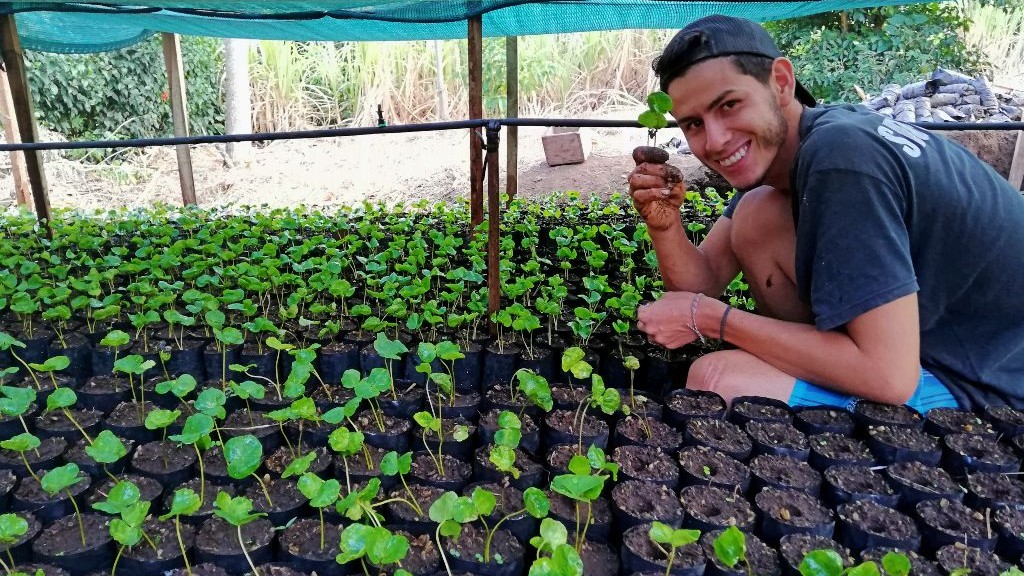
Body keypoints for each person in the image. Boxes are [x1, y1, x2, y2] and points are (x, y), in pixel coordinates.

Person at [629, 14, 1024, 412]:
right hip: (936, 345)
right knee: (755, 216)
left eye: (729, 105)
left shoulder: (842, 158)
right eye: (694, 124)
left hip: (996, 382)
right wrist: (664, 226)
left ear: (781, 82)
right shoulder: (798, 153)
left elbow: (890, 378)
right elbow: (704, 280)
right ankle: (835, 360)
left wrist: (713, 319)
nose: (714, 141)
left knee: (717, 379)